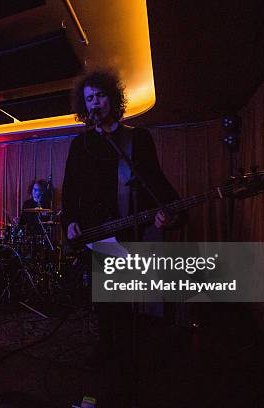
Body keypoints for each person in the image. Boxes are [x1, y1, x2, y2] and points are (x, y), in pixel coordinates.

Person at [61, 70, 182, 366]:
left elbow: (156, 182)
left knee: (125, 301)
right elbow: (70, 188)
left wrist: (167, 212)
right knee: (101, 299)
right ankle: (105, 347)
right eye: (89, 98)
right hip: (94, 234)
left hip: (128, 231)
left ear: (112, 99)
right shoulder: (80, 145)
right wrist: (71, 220)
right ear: (83, 105)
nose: (95, 103)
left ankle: (127, 354)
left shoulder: (135, 139)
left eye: (100, 96)